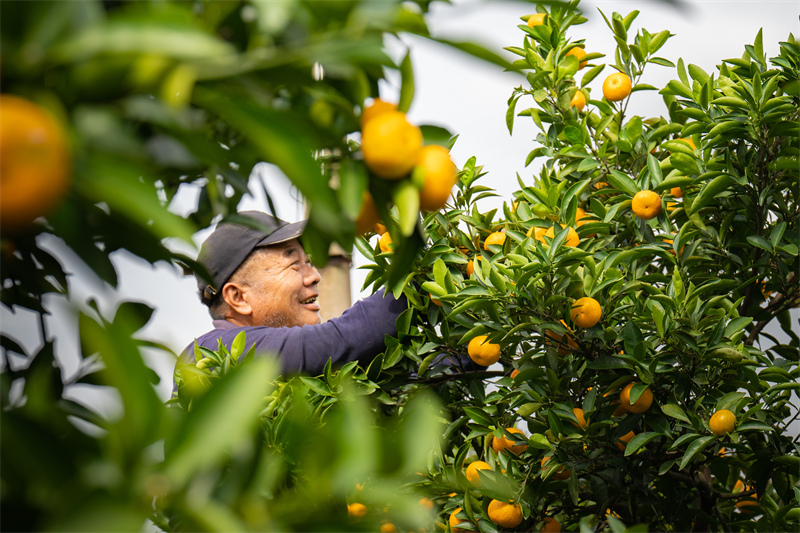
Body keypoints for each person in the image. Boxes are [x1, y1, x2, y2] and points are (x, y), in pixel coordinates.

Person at [177, 211, 406, 377]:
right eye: (294, 264)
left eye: (308, 262)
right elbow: (337, 341)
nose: (314, 276)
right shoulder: (210, 355)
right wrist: (415, 277)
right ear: (239, 298)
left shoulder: (306, 379)